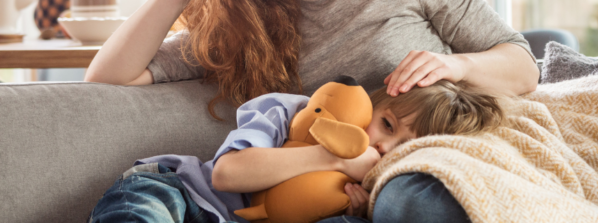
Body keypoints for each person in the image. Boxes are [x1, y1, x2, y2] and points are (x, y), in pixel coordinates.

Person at [84, 0, 536, 222]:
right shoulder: (244, 28)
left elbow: (523, 68)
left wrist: (455, 65)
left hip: (409, 178)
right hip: (220, 193)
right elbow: (109, 78)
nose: (378, 142)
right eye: (384, 125)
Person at [90, 80, 505, 223]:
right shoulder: (295, 112)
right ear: (373, 102)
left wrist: (353, 210)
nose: (381, 146)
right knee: (144, 212)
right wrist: (333, 157)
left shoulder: (375, 182)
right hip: (183, 192)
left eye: (401, 149)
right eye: (387, 125)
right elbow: (226, 175)